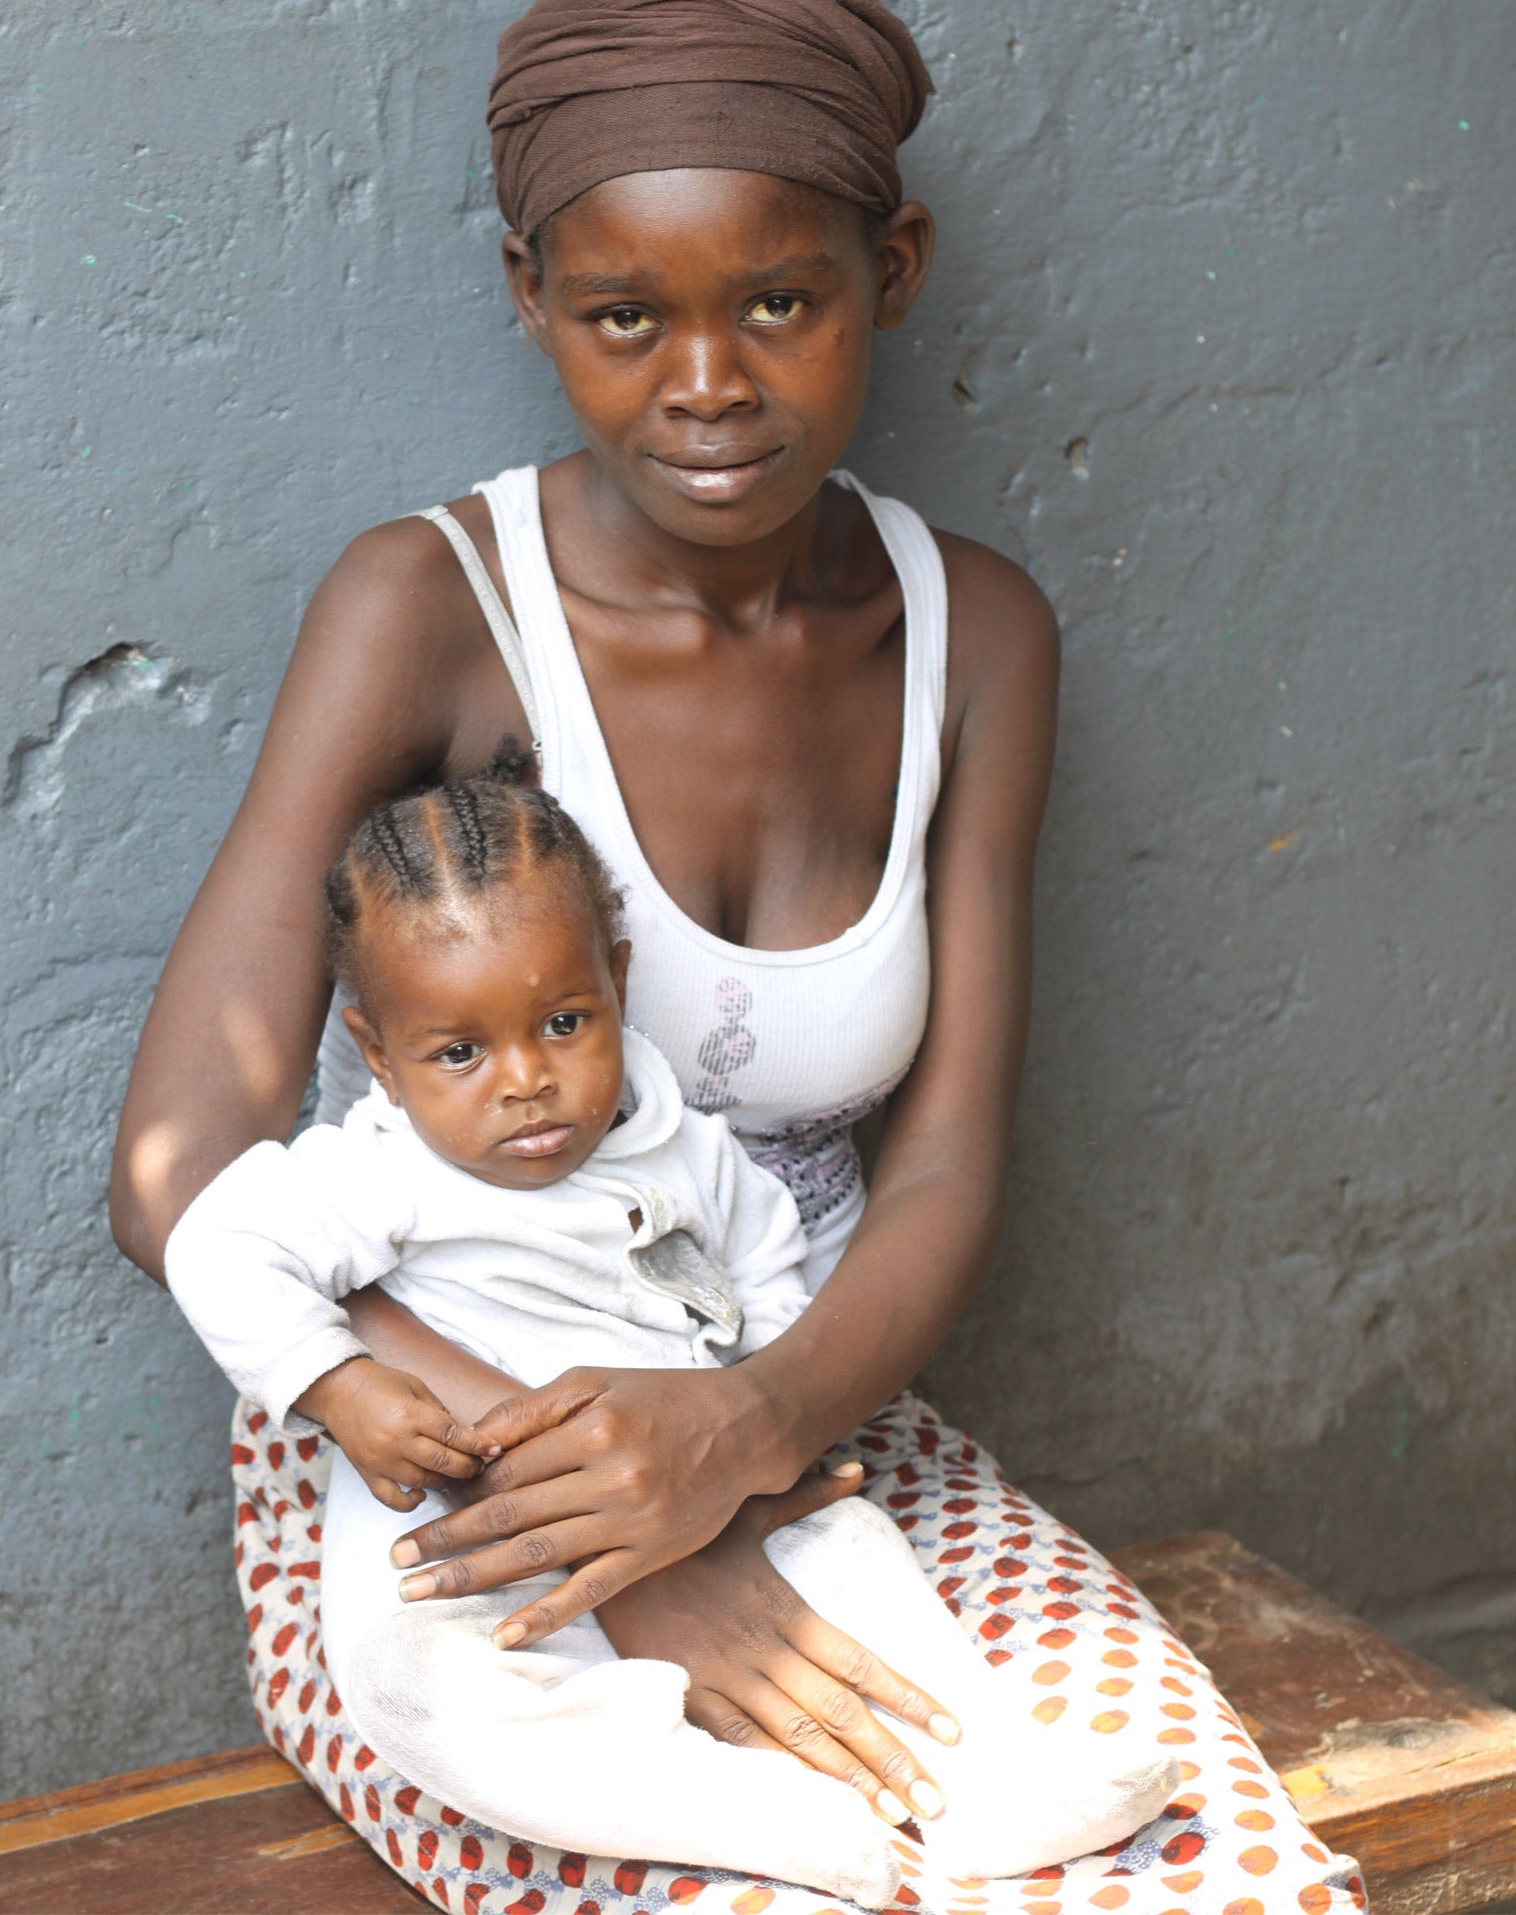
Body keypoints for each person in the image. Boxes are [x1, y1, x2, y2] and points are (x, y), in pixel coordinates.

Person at [113, 0, 1365, 1907]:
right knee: (783, 1877)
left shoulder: (983, 638)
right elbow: (173, 1164)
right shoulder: (430, 610)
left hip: (799, 1400)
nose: (706, 383)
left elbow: (948, 1167)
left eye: (779, 300)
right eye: (626, 316)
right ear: (532, 294)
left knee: (1178, 1860)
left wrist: (750, 1435)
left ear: (897, 266)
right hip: (428, 1457)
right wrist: (620, 1524)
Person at [166, 755, 1179, 1903]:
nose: (526, 1080)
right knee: (412, 1687)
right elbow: (215, 1244)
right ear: (379, 1053)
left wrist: (756, 1426)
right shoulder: (375, 1172)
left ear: (621, 980)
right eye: (460, 1050)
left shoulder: (679, 1139)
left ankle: (994, 1781)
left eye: (562, 1020)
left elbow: (768, 1263)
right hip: (473, 1532)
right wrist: (340, 1385)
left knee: (856, 1562)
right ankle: (738, 1807)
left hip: (699, 1507)